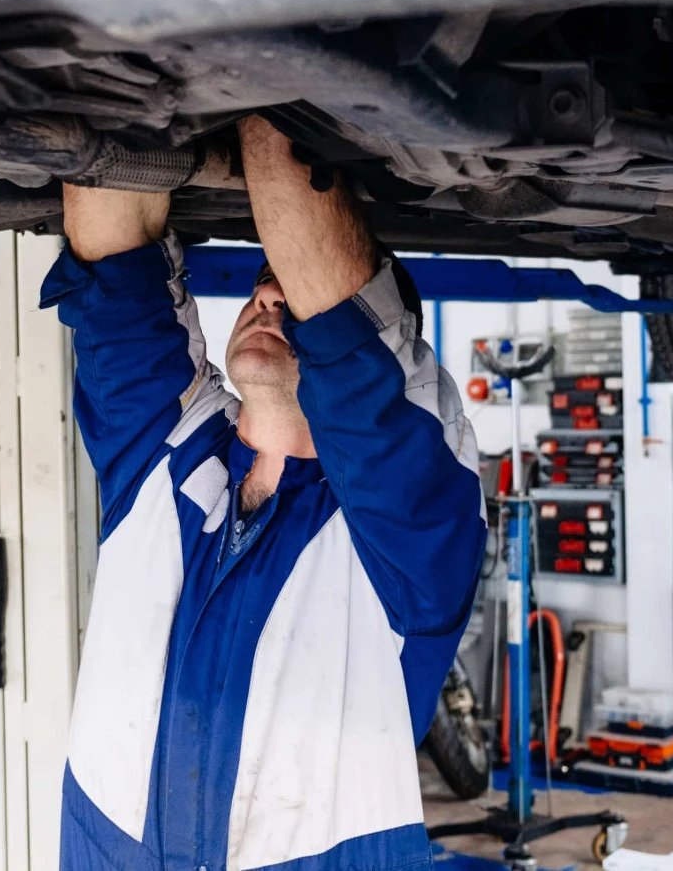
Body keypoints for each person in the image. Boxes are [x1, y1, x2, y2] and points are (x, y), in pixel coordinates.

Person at [37, 115, 488, 871]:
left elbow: (347, 331)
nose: (269, 295)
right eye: (258, 286)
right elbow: (117, 279)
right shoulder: (169, 460)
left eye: (294, 296)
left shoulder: (411, 540)